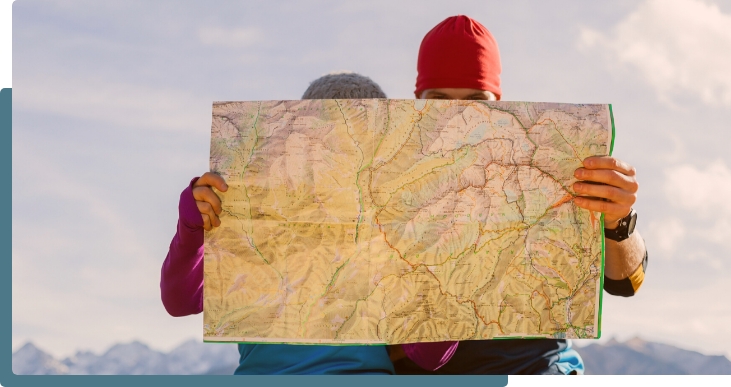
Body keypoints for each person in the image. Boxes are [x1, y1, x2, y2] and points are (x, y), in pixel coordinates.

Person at [391, 15, 648, 375]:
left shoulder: (550, 162)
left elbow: (625, 283)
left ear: (498, 101)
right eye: (439, 99)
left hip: (533, 372)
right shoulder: (383, 172)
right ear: (417, 100)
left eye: (476, 99)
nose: (458, 115)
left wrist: (618, 221)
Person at [160, 72, 395, 375]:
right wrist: (191, 231)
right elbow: (179, 300)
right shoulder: (256, 222)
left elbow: (430, 357)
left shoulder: (387, 235)